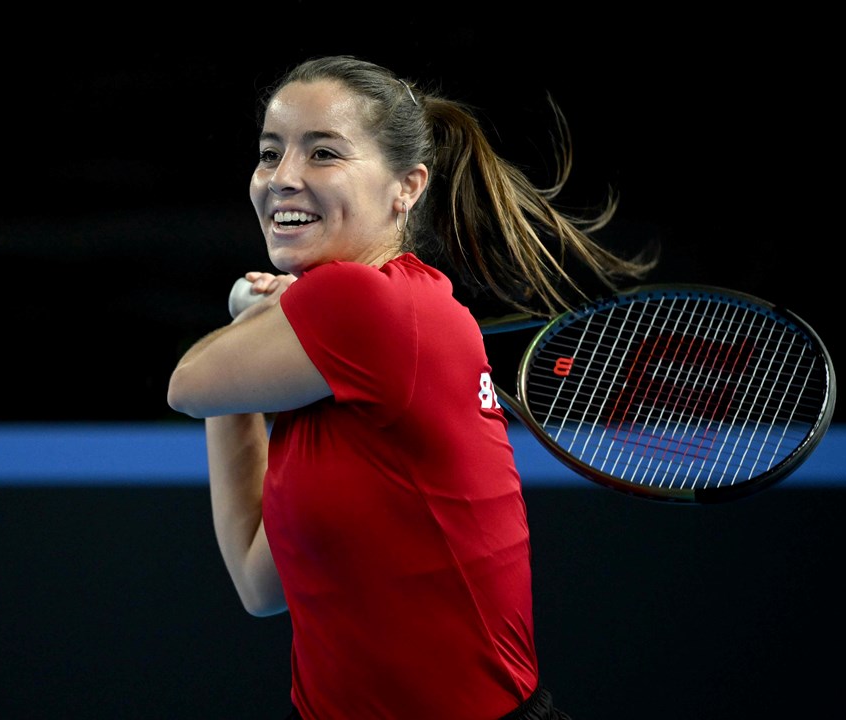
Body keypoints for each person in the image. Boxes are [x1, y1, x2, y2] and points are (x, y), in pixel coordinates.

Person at [167, 54, 656, 720]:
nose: (282, 179)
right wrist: (253, 342)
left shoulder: (361, 304)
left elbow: (188, 384)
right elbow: (259, 583)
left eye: (323, 154)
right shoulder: (353, 349)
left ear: (407, 187)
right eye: (270, 152)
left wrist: (246, 314)